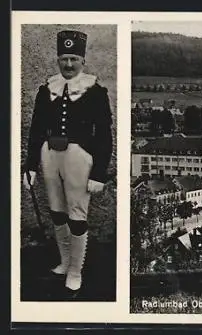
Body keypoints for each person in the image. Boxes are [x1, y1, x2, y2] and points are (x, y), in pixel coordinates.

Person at [22, 30, 113, 298]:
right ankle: (64, 262)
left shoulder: (95, 91)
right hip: (49, 154)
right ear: (58, 60)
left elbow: (105, 134)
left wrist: (99, 173)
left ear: (82, 60)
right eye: (64, 59)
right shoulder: (45, 89)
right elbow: (36, 128)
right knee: (57, 212)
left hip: (79, 157)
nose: (69, 65)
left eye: (74, 59)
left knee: (76, 214)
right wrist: (30, 165)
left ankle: (76, 270)